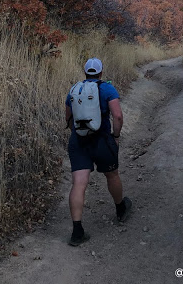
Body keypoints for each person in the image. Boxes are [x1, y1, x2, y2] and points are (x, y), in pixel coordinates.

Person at [65, 57, 132, 246]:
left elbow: (68, 118)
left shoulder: (74, 89)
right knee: (112, 175)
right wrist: (116, 136)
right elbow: (117, 116)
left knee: (79, 184)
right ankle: (120, 209)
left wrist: (77, 135)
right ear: (101, 73)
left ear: (85, 72)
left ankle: (77, 231)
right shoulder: (107, 89)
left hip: (79, 142)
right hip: (102, 141)